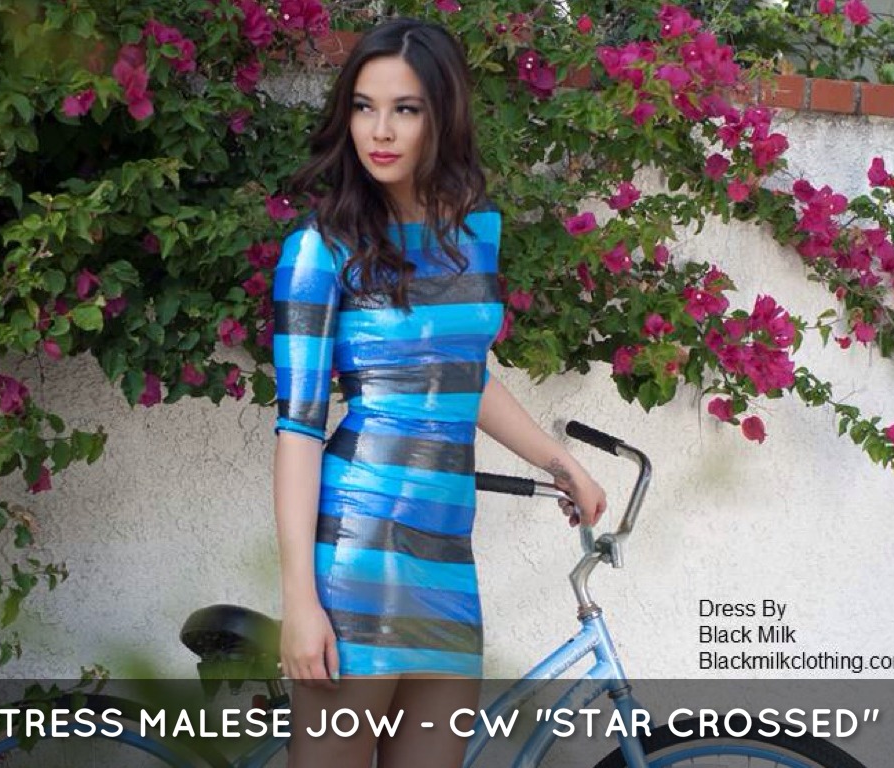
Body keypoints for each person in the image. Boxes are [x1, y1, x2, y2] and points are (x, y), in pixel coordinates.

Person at [271, 17, 608, 768]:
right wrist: (300, 600)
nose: (380, 131)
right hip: (358, 552)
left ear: (442, 116)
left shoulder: (472, 237)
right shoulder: (320, 250)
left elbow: (465, 376)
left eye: (405, 109)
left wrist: (563, 465)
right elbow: (298, 429)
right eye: (364, 107)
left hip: (449, 556)